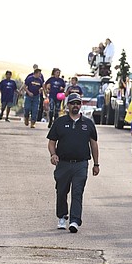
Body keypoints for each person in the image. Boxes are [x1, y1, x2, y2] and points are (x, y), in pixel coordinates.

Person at [47, 94, 100, 233]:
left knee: (78, 192)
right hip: (63, 163)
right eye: (72, 103)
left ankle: (75, 221)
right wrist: (53, 155)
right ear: (67, 106)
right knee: (61, 191)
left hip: (81, 164)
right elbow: (52, 142)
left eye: (78, 103)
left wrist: (96, 164)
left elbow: (94, 144)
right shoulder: (60, 122)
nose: (75, 105)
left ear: (80, 105)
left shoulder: (88, 123)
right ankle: (62, 217)